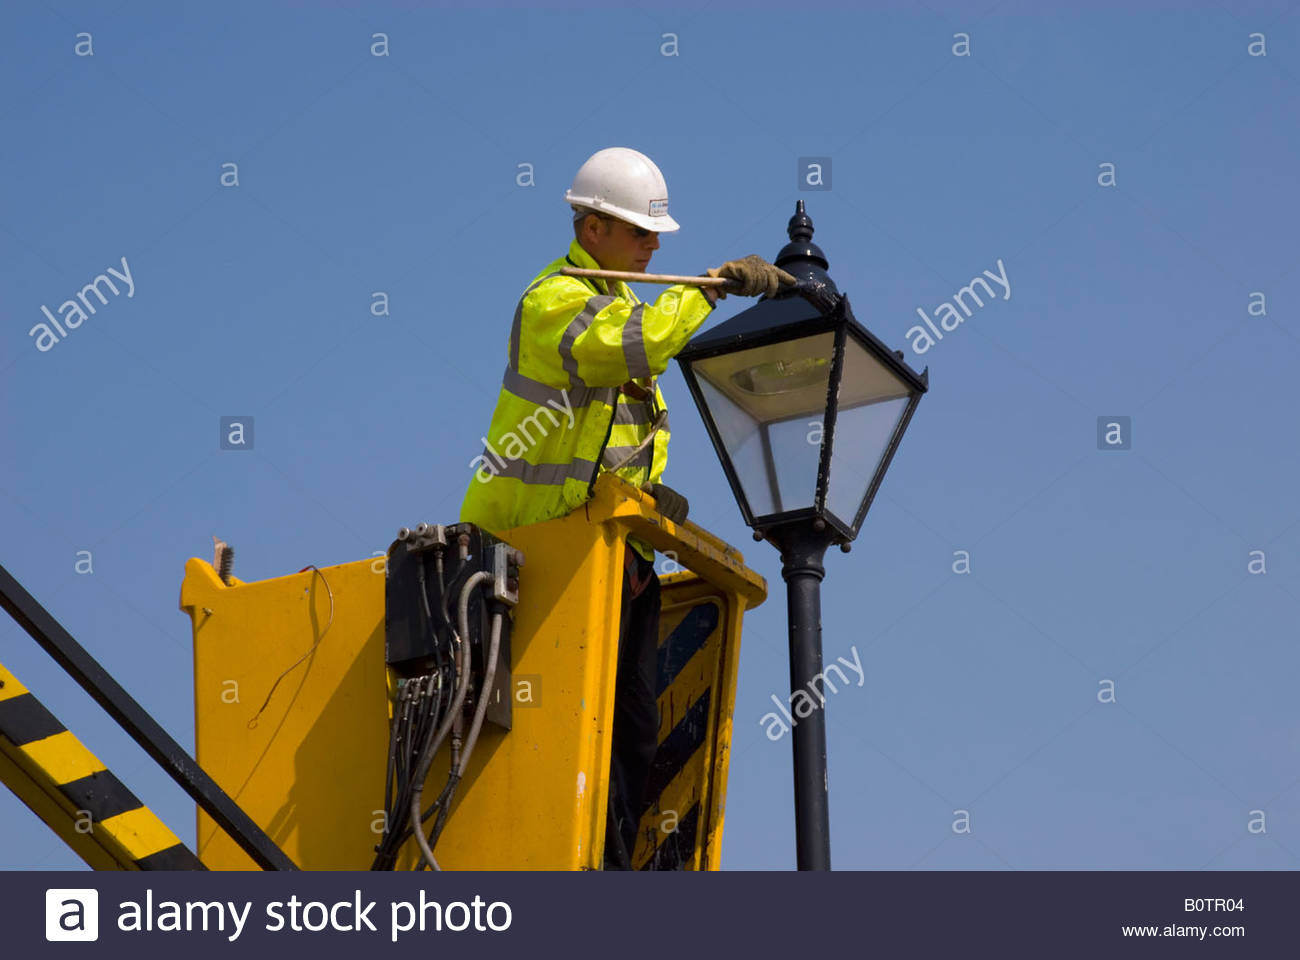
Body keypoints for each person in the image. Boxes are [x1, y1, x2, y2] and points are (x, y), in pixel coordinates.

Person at [459, 146, 794, 869]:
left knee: (633, 732)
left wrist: (647, 498)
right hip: (531, 556)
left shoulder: (617, 308)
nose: (653, 247)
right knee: (565, 724)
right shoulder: (553, 304)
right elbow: (634, 350)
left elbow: (614, 436)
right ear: (593, 229)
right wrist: (706, 288)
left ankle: (607, 873)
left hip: (615, 557)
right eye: (643, 234)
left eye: (656, 238)